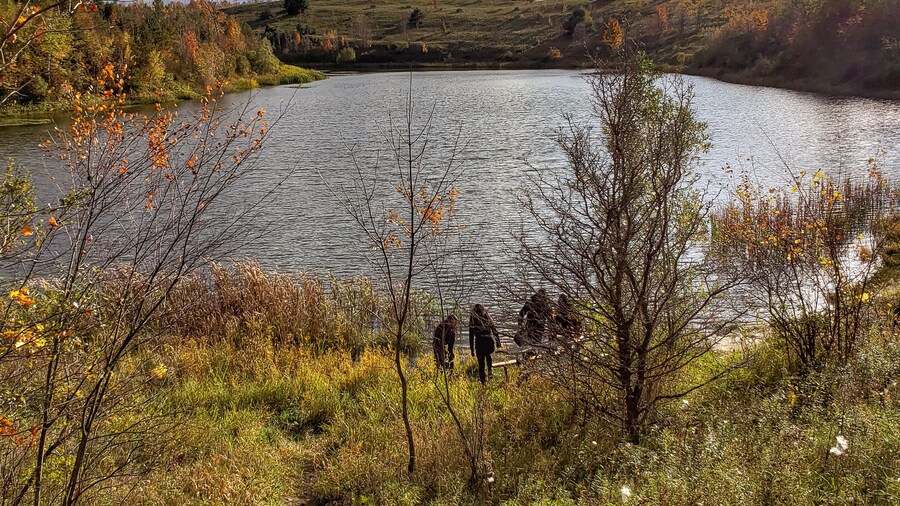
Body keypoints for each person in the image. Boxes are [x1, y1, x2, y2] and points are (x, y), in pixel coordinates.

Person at [469, 304, 501, 384]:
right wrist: (498, 342)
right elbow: (494, 329)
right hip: (489, 342)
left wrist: (472, 349)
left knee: (481, 362)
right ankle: (490, 371)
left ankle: (483, 382)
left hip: (479, 343)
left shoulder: (473, 319)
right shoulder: (486, 316)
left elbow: (471, 336)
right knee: (488, 355)